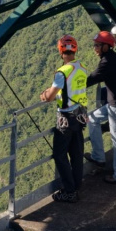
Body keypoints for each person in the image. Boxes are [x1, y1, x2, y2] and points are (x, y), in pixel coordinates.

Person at [40, 35, 89, 203]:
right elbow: (71, 90)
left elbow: (50, 96)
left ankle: (69, 191)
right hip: (80, 116)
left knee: (59, 155)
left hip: (66, 118)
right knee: (76, 154)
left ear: (61, 51)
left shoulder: (62, 72)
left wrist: (44, 94)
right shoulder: (82, 68)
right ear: (74, 50)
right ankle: (76, 186)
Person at [84, 31, 116, 185]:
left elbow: (90, 79)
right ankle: (98, 157)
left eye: (97, 45)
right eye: (94, 45)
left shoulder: (106, 62)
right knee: (92, 119)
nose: (94, 48)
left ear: (105, 46)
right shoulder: (114, 58)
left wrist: (71, 85)